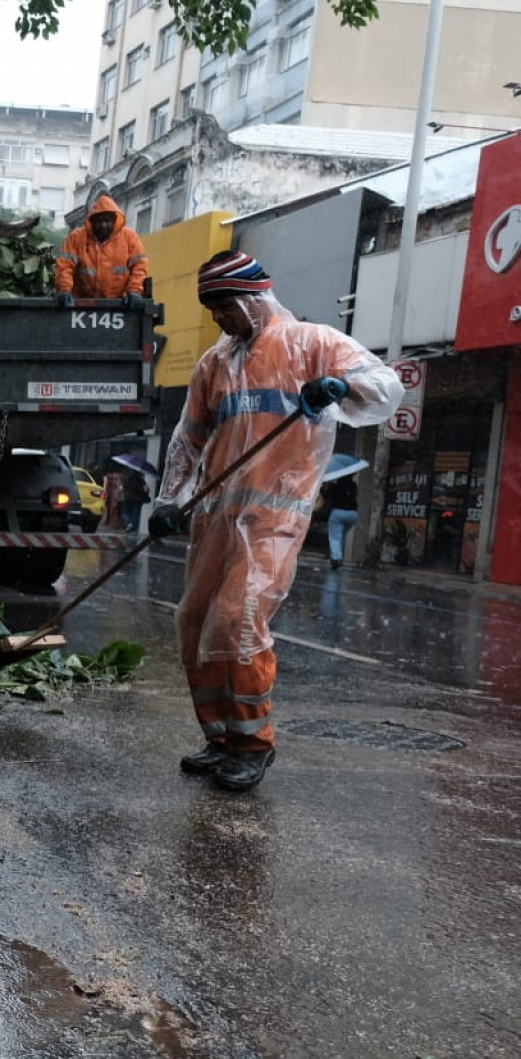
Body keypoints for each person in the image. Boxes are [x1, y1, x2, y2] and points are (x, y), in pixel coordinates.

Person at [148, 250, 401, 792]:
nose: (218, 318)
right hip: (215, 515)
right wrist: (168, 500)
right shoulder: (214, 365)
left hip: (273, 515)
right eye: (211, 308)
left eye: (222, 306)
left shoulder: (314, 343)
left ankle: (252, 744)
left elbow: (385, 387)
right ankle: (219, 738)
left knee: (236, 623)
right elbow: (188, 437)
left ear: (249, 298)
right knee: (194, 624)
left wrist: (339, 387)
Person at [54, 193, 148, 305]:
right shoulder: (76, 238)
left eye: (107, 221)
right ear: (92, 222)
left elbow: (139, 266)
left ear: (114, 221)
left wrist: (134, 290)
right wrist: (64, 289)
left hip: (119, 304)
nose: (103, 225)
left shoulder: (129, 238)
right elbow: (65, 266)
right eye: (99, 221)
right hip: (82, 304)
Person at [324, 473, 359, 570]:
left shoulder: (336, 485)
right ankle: (337, 556)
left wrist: (329, 485)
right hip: (352, 514)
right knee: (342, 536)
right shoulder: (353, 485)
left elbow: (328, 495)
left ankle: (336, 558)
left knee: (334, 537)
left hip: (338, 512)